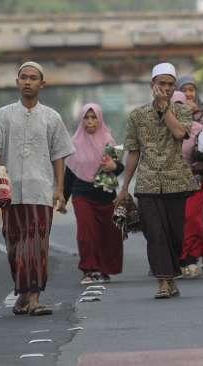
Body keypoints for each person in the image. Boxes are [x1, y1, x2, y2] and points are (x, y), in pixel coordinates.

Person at [0, 61, 74, 316]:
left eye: (33, 78)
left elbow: (60, 155)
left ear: (42, 84)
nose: (28, 82)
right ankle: (22, 294)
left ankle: (35, 298)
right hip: (10, 193)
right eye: (24, 77)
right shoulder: (3, 114)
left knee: (37, 244)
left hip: (41, 191)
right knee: (14, 245)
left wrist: (59, 190)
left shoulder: (51, 117)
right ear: (18, 82)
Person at [116, 63, 194, 299]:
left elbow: (180, 134)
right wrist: (124, 187)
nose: (167, 88)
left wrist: (164, 109)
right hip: (147, 183)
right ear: (152, 85)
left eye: (171, 85)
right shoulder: (137, 116)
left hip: (176, 182)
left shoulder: (182, 111)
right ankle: (163, 281)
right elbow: (133, 152)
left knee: (174, 235)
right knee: (155, 234)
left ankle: (171, 275)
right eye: (162, 84)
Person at [64, 103, 124, 285]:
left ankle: (104, 269)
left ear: (100, 119)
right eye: (86, 118)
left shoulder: (109, 141)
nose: (90, 122)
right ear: (81, 120)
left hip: (106, 194)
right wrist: (61, 198)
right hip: (82, 193)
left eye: (93, 117)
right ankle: (89, 270)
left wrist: (115, 167)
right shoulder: (73, 144)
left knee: (109, 234)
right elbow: (69, 173)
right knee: (86, 233)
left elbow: (118, 168)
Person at [177, 75, 203, 271]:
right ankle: (187, 252)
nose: (188, 93)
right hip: (181, 171)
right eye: (184, 90)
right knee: (187, 216)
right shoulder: (173, 110)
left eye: (191, 89)